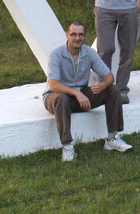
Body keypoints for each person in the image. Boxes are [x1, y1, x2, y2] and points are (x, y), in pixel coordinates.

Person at [42, 21, 132, 162]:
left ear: (85, 36)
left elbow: (109, 77)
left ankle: (112, 138)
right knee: (61, 98)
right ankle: (67, 145)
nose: (77, 38)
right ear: (67, 35)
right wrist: (77, 93)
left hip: (81, 95)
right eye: (73, 34)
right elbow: (53, 84)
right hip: (56, 97)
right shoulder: (56, 55)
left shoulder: (89, 53)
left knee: (113, 90)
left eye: (80, 35)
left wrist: (102, 86)